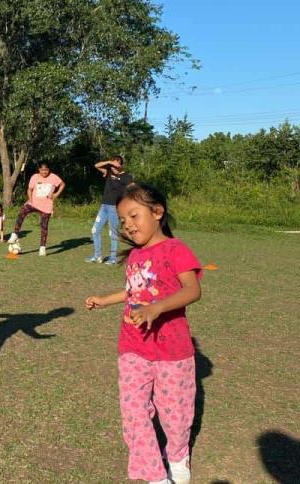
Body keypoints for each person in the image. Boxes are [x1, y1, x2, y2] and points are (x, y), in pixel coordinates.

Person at [85, 184, 202, 484]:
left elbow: (193, 290)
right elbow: (132, 290)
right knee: (134, 410)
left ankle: (177, 456)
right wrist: (104, 299)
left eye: (134, 216)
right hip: (133, 346)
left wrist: (157, 308)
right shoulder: (136, 256)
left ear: (157, 212)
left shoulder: (176, 250)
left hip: (172, 350)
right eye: (123, 220)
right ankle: (155, 476)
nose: (128, 224)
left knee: (174, 414)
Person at [6, 162, 65, 256]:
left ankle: (42, 248)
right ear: (39, 170)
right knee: (22, 212)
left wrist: (56, 194)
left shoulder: (54, 177)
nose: (44, 172)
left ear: (49, 170)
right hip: (34, 203)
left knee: (44, 227)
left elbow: (62, 184)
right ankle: (15, 234)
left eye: (46, 170)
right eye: (42, 170)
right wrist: (30, 200)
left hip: (46, 206)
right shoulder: (34, 177)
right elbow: (29, 189)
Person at [86, 155, 134, 265]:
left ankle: (113, 259)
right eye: (112, 165)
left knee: (113, 233)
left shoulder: (127, 177)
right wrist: (109, 162)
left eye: (116, 165)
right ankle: (97, 256)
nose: (114, 168)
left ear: (122, 165)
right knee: (95, 230)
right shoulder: (108, 172)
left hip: (114, 209)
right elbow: (96, 165)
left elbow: (133, 190)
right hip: (104, 207)